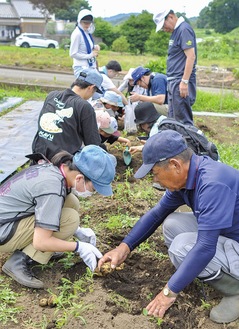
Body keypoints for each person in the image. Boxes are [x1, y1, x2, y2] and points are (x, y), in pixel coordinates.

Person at [98, 130, 239, 324]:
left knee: (182, 247)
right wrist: (124, 247)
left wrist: (168, 292)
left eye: (155, 174)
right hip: (229, 233)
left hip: (235, 241)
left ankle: (234, 290)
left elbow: (206, 246)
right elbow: (157, 214)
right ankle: (202, 271)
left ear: (175, 165)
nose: (155, 181)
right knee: (172, 224)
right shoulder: (189, 177)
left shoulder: (213, 183)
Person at [0, 145, 116, 289]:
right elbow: (41, 241)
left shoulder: (56, 170)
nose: (93, 193)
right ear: (79, 178)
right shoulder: (52, 187)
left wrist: (78, 231)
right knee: (70, 219)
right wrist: (79, 247)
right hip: (4, 231)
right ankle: (19, 261)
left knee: (71, 202)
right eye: (93, 189)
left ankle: (45, 251)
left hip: (9, 219)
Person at [32, 68, 103, 161]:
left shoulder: (52, 95)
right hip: (61, 159)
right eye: (94, 92)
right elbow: (93, 143)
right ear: (91, 87)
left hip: (38, 152)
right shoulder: (84, 106)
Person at [153, 8, 197, 125]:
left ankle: (188, 142)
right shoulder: (175, 32)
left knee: (183, 121)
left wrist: (184, 81)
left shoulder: (183, 29)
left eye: (164, 24)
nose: (164, 28)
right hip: (174, 81)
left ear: (171, 17)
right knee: (174, 120)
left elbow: (191, 56)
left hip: (180, 81)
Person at [70, 9, 100, 78]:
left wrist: (94, 46)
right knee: (84, 88)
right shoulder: (77, 34)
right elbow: (72, 54)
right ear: (79, 21)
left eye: (89, 23)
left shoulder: (86, 32)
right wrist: (90, 55)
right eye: (85, 23)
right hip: (81, 68)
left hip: (90, 66)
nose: (87, 25)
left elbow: (85, 46)